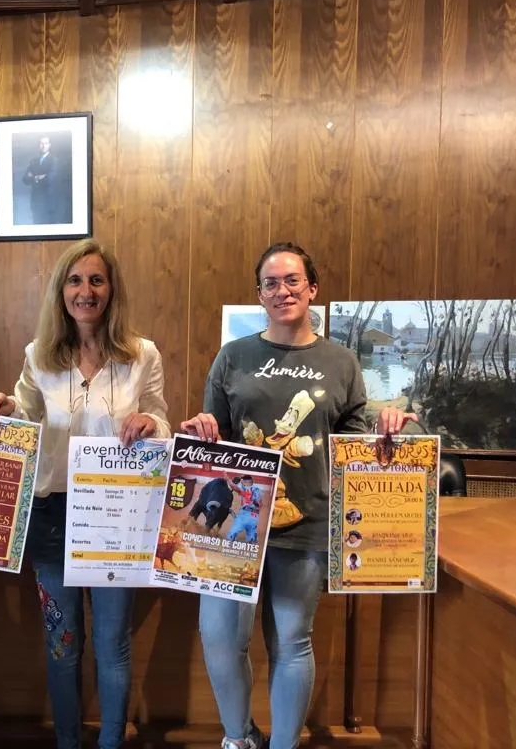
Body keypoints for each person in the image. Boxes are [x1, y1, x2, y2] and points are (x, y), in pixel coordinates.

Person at [179, 242, 415, 749]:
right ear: (258, 294)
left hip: (305, 524)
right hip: (232, 524)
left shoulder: (341, 361)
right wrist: (203, 426)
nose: (282, 290)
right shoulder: (233, 357)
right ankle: (238, 737)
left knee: (291, 641)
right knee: (220, 642)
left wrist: (387, 425)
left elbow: (356, 445)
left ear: (312, 288)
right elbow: (212, 434)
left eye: (292, 280)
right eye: (270, 283)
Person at [0, 239, 170, 749]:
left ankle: (110, 742)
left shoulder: (141, 354)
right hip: (51, 515)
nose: (85, 291)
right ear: (60, 290)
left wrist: (149, 422)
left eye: (96, 280)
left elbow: (163, 420)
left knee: (112, 645)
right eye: (74, 280)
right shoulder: (37, 356)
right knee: (63, 645)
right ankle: (67, 742)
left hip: (117, 515)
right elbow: (22, 419)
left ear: (111, 290)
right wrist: (1, 406)